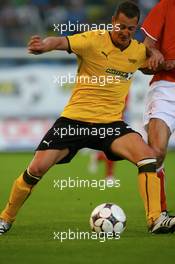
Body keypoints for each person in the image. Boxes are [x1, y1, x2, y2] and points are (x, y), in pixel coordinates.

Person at [0, 1, 174, 235]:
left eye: (130, 29)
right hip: (74, 121)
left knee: (148, 158)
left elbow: (152, 63)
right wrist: (45, 45)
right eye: (121, 26)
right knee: (37, 168)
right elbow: (61, 41)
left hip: (110, 124)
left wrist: (154, 52)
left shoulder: (137, 51)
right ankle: (5, 219)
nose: (124, 32)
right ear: (113, 22)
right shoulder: (92, 39)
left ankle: (155, 219)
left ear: (136, 29)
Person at [141, 0, 175, 213]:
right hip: (166, 88)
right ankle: (158, 215)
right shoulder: (166, 6)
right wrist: (153, 56)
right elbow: (145, 50)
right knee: (156, 152)